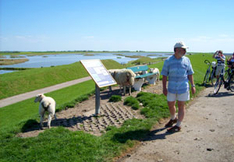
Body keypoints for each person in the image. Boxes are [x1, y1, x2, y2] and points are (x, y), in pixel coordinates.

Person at [161, 42, 196, 133]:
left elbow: (190, 73)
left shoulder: (187, 60)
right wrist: (164, 88)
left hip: (183, 88)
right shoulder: (168, 61)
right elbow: (164, 75)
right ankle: (173, 118)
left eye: (185, 50)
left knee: (181, 106)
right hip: (172, 88)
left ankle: (178, 125)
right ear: (176, 50)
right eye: (183, 49)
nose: (185, 51)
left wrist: (193, 85)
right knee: (170, 104)